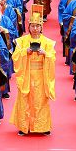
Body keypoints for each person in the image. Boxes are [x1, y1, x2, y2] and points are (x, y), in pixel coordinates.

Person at [10, 7, 56, 136]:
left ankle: (43, 126)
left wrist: (45, 54)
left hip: (41, 75)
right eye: (32, 26)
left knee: (40, 100)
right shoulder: (22, 41)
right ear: (29, 27)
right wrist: (25, 52)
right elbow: (15, 57)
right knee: (25, 99)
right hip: (27, 74)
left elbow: (52, 58)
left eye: (38, 26)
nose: (35, 28)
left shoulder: (47, 42)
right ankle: (24, 126)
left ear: (41, 27)